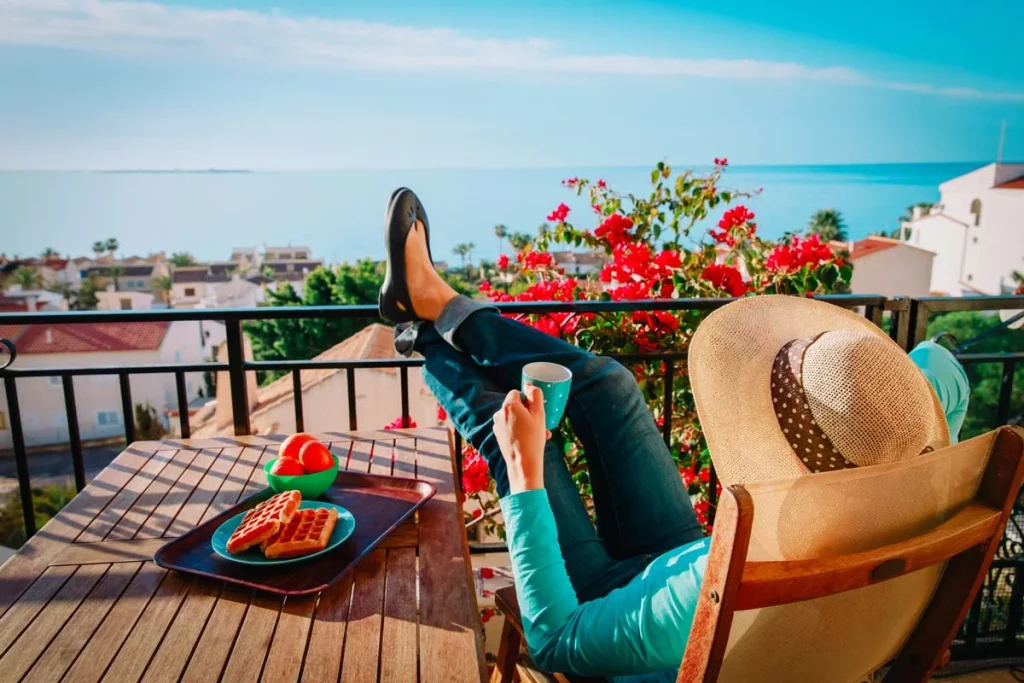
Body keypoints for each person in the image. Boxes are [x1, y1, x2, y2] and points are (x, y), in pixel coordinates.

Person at [377, 188, 971, 682]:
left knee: (522, 440)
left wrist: (525, 472)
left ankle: (422, 325)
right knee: (610, 386)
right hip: (696, 561)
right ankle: (440, 303)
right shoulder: (912, 530)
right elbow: (932, 383)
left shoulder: (713, 589)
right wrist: (880, 394)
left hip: (636, 601)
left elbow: (557, 641)